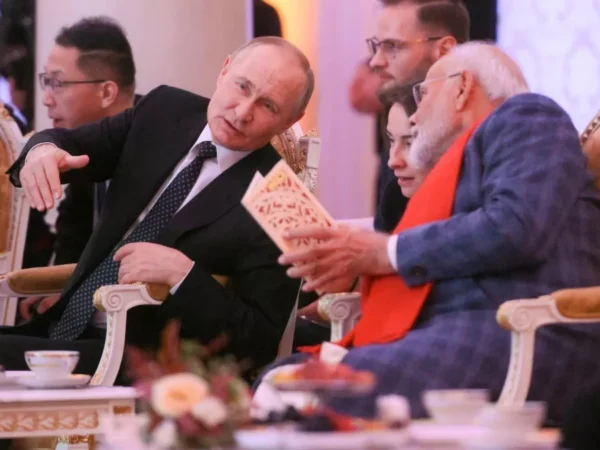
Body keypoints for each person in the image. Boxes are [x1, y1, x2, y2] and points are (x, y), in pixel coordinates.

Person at [258, 42, 600, 424]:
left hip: (521, 334)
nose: (416, 114)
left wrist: (383, 253)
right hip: (455, 332)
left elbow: (516, 227)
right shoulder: (453, 163)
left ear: (462, 87)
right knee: (281, 377)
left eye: (423, 93)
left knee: (300, 394)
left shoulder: (527, 117)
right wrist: (360, 269)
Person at [3, 36, 313, 377]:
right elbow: (70, 143)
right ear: (225, 71)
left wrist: (183, 275)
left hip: (150, 364)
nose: (242, 112)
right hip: (62, 330)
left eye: (268, 106)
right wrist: (42, 151)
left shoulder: (283, 202)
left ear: (290, 120)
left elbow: (259, 341)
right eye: (242, 86)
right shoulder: (165, 111)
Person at [17, 17, 140, 322]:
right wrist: (58, 291)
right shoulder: (80, 150)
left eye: (58, 83)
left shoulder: (158, 145)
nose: (46, 99)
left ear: (107, 93)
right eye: (46, 81)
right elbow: (73, 238)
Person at [349, 0, 470, 231]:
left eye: (392, 46)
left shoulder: (477, 141)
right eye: (377, 46)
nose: (376, 61)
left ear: (444, 50)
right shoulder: (397, 113)